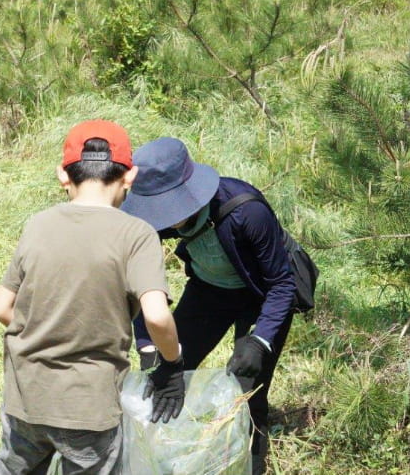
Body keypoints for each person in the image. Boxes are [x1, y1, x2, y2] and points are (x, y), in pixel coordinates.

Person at [0, 120, 185, 475]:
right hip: (89, 407)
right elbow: (156, 317)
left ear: (64, 175)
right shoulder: (137, 234)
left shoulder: (38, 223)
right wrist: (172, 364)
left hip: (25, 395)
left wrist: (47, 331)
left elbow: (2, 307)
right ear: (130, 176)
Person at [123, 137, 297, 475]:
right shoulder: (151, 223)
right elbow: (136, 281)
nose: (170, 221)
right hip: (208, 292)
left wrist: (260, 340)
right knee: (166, 371)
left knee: (250, 390)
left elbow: (282, 284)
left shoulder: (246, 212)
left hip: (260, 296)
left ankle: (252, 463)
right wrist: (146, 340)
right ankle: (168, 456)